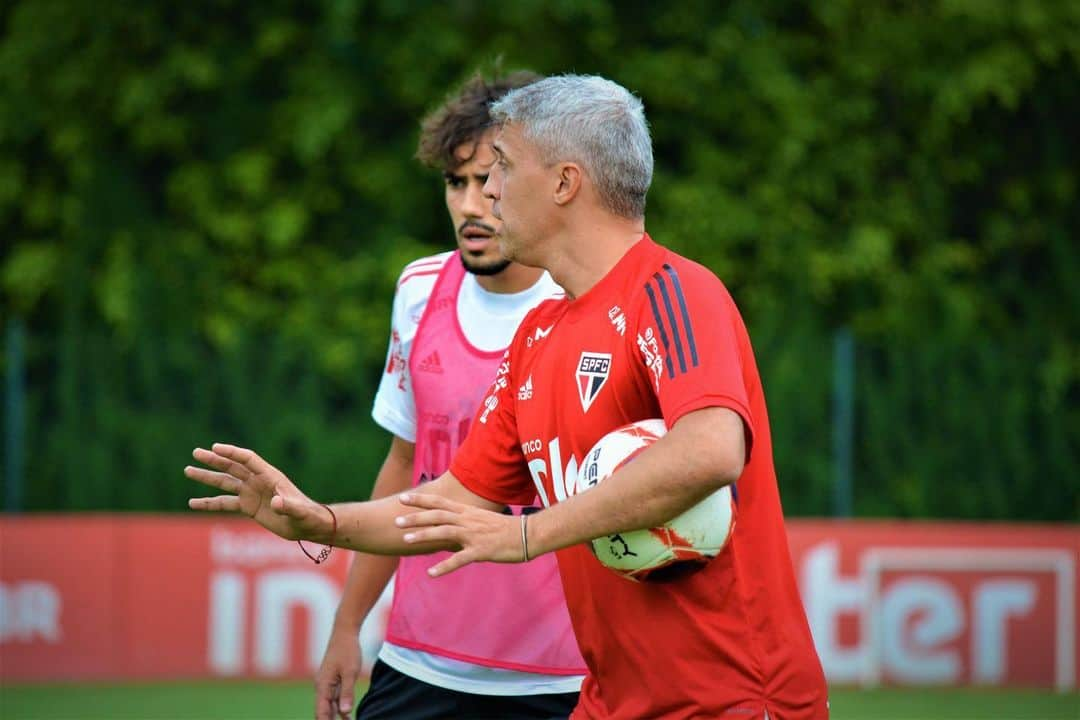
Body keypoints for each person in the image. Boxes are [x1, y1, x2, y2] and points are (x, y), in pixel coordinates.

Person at [187, 74, 829, 720]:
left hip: (736, 702)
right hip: (610, 705)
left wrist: (528, 535)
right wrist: (320, 520)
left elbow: (712, 449)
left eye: (501, 167)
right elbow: (447, 502)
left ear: (564, 183)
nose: (486, 192)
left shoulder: (676, 293)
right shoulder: (539, 337)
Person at [316, 70, 585, 720]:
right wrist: (348, 625)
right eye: (456, 182)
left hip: (559, 680)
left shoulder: (590, 307)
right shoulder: (417, 292)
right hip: (415, 664)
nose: (472, 204)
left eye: (491, 181)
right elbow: (404, 466)